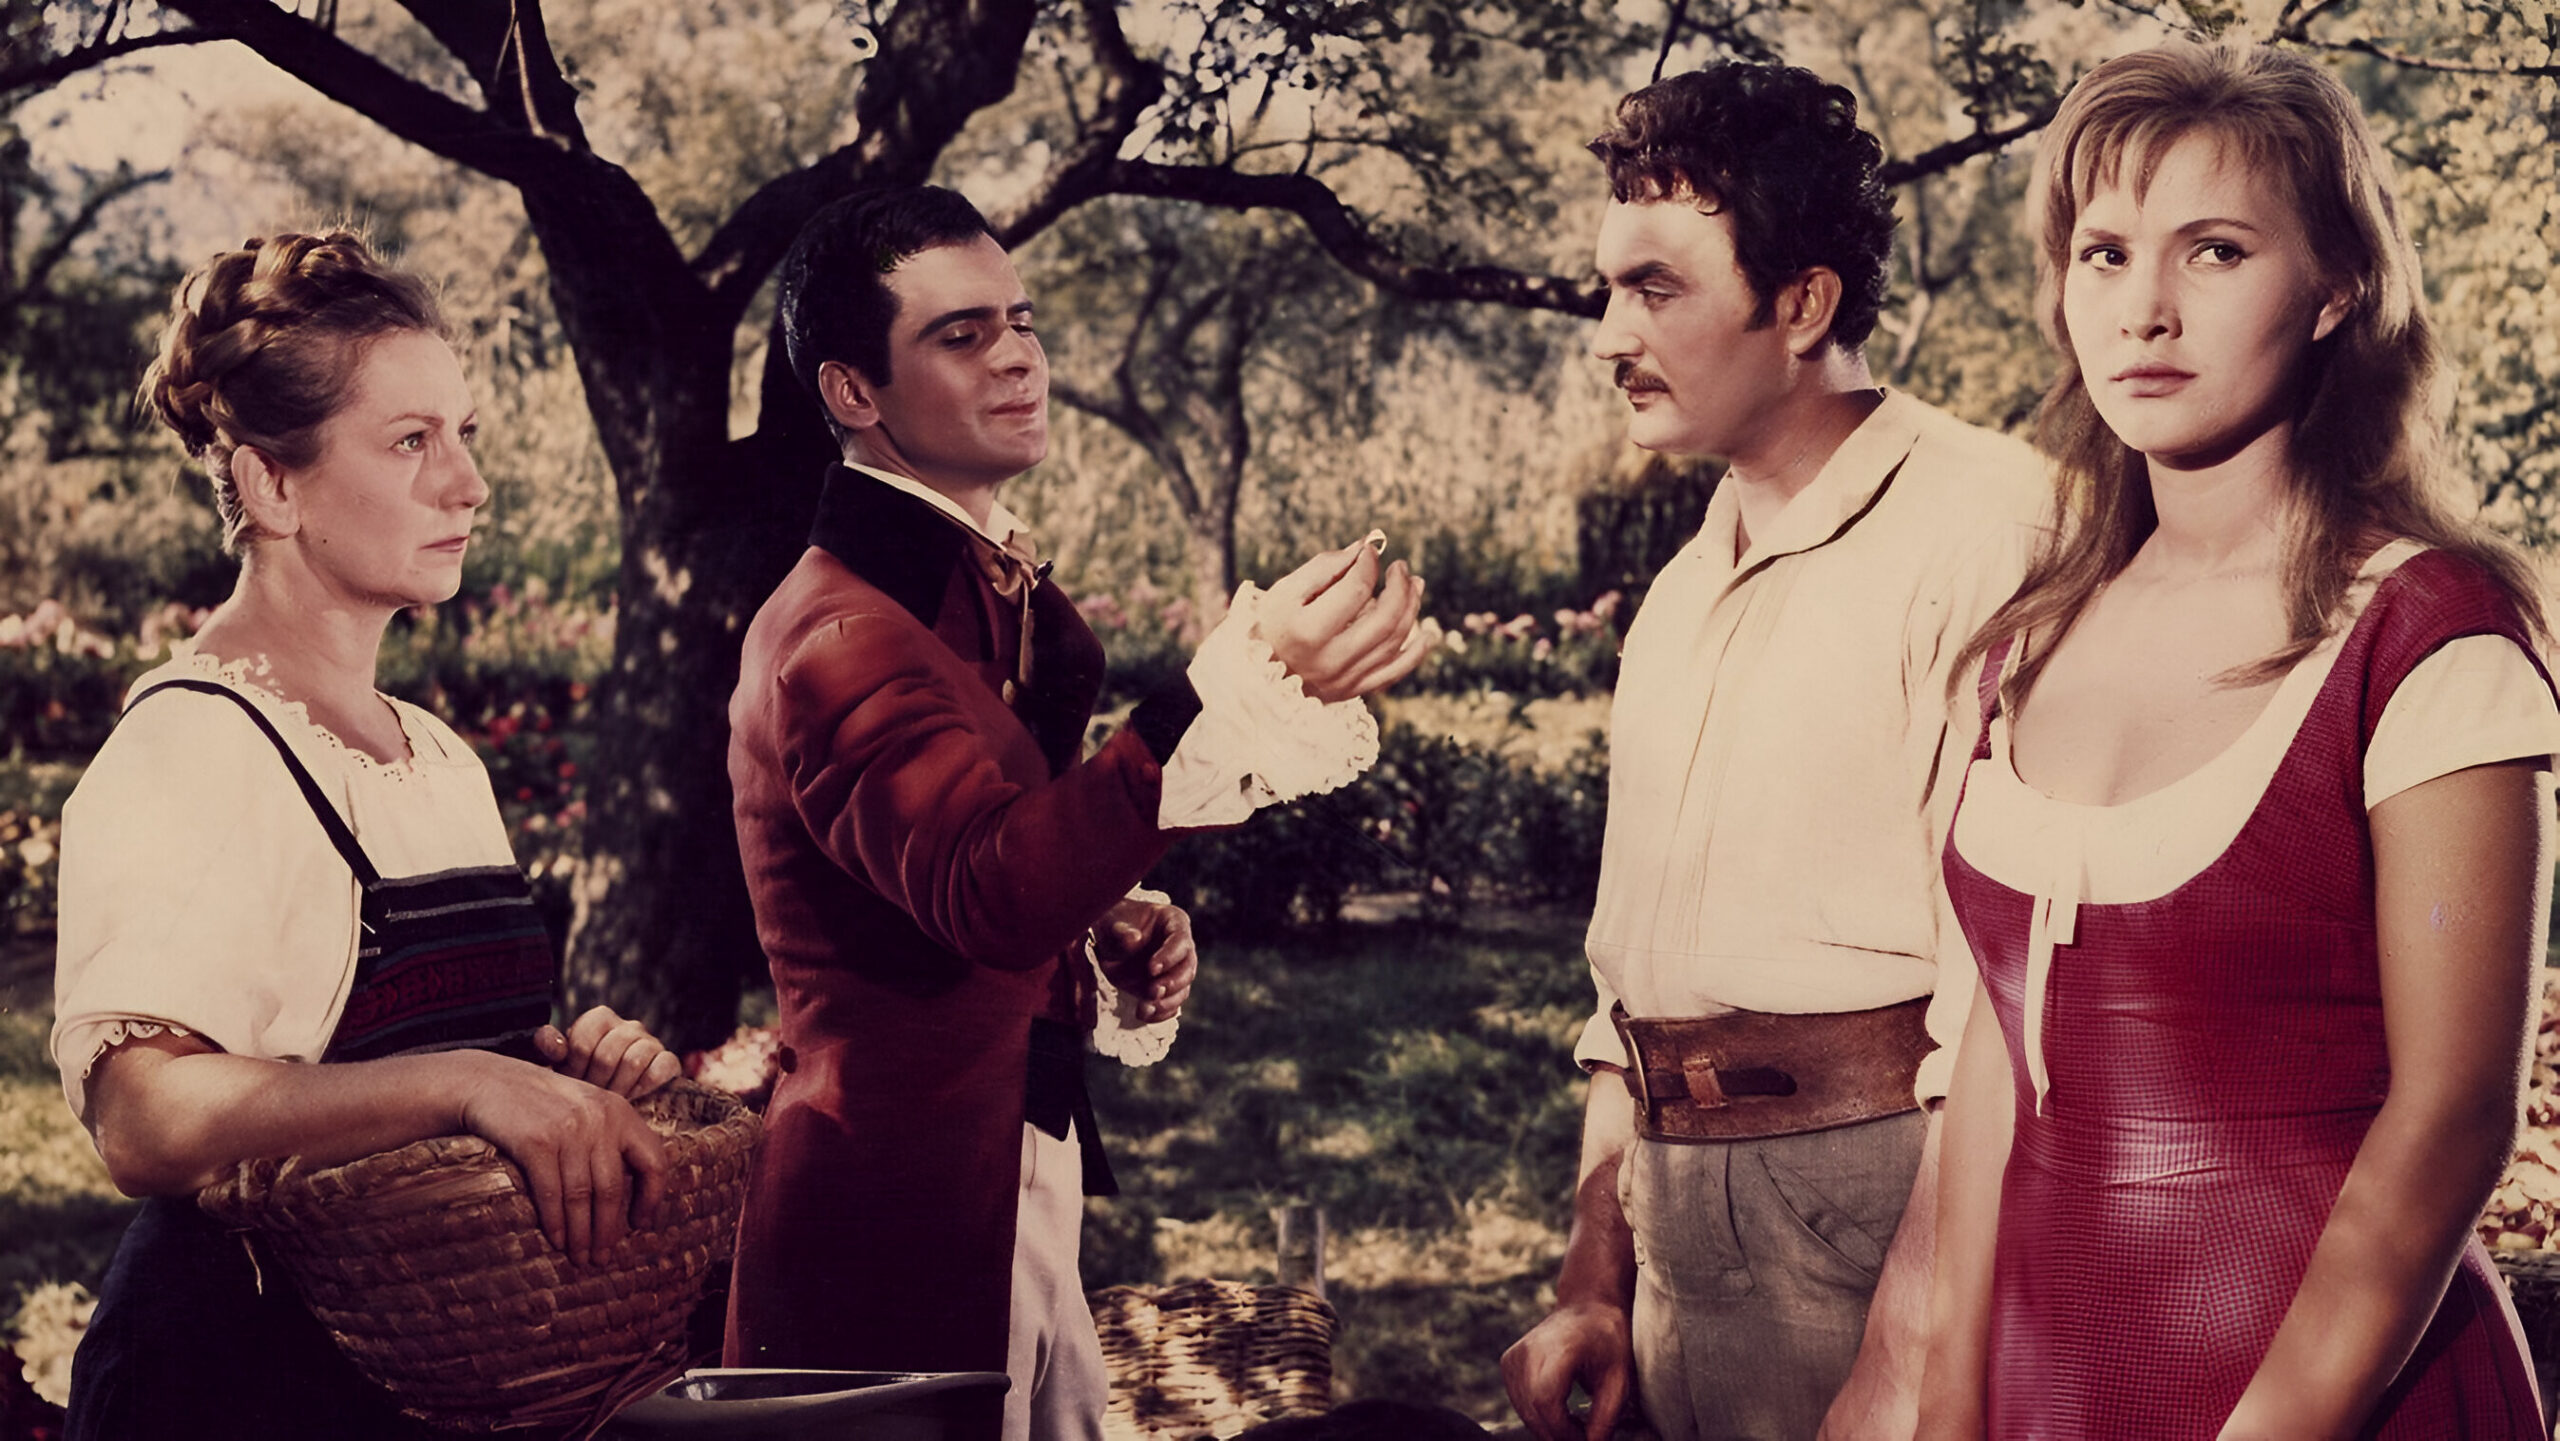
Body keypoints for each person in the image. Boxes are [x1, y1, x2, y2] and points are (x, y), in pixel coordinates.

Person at [1916, 42, 2551, 1439]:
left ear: (2335, 288)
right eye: (2103, 254)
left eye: (2213, 251)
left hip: (2333, 1397)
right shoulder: (2029, 634)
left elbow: (2452, 1116)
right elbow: (1997, 1058)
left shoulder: (2428, 629)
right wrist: (1946, 1400)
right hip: (2050, 1389)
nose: (2143, 309)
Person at [721, 184, 1426, 1441]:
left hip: (1009, 1176)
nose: (1017, 356)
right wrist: (1226, 692)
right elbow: (989, 889)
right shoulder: (837, 636)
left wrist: (1095, 920)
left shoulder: (968, 597)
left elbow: (984, 856)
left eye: (1021, 321)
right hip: (891, 1222)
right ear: (852, 391)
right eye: (961, 335)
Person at [49, 232, 686, 1439]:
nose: (468, 484)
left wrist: (559, 1084)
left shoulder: (435, 755)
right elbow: (144, 1118)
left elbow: (439, 1067)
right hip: (234, 1384)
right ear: (271, 487)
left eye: (464, 434)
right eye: (409, 441)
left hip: (427, 1380)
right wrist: (470, 1084)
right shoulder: (192, 745)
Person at [1500, 62, 2051, 1441]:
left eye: (1656, 288)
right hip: (1676, 1243)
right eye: (1608, 289)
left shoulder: (1994, 532)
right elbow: (1626, 996)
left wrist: (1909, 1353)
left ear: (1802, 304)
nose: (1610, 336)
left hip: (1889, 1229)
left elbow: (2014, 1003)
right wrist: (1592, 1282)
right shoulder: (1682, 589)